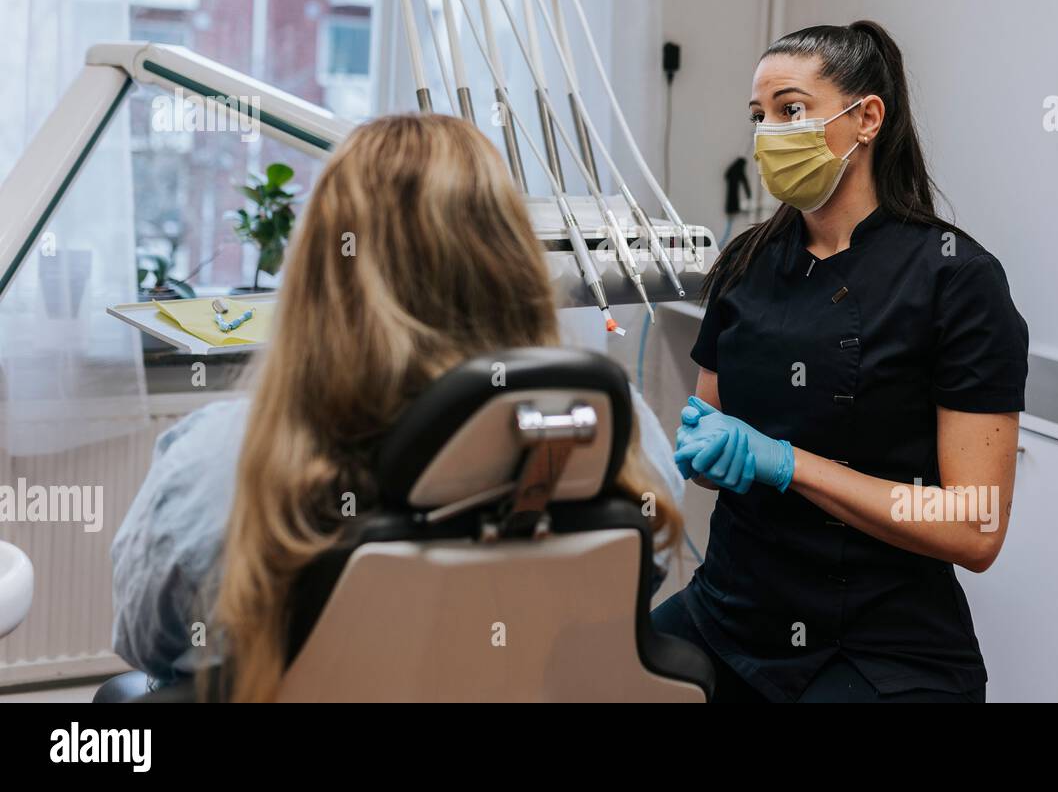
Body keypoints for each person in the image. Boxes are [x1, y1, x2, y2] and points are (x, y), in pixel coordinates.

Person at [111, 113, 684, 700]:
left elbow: (148, 643)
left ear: (317, 266)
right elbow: (636, 583)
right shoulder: (612, 427)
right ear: (517, 262)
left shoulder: (220, 459)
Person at [654, 21, 1029, 703]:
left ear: (866, 119)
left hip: (879, 647)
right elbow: (709, 429)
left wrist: (788, 463)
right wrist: (700, 450)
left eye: (791, 110)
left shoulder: (955, 278)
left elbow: (975, 529)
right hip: (727, 618)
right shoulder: (745, 262)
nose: (769, 133)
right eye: (759, 116)